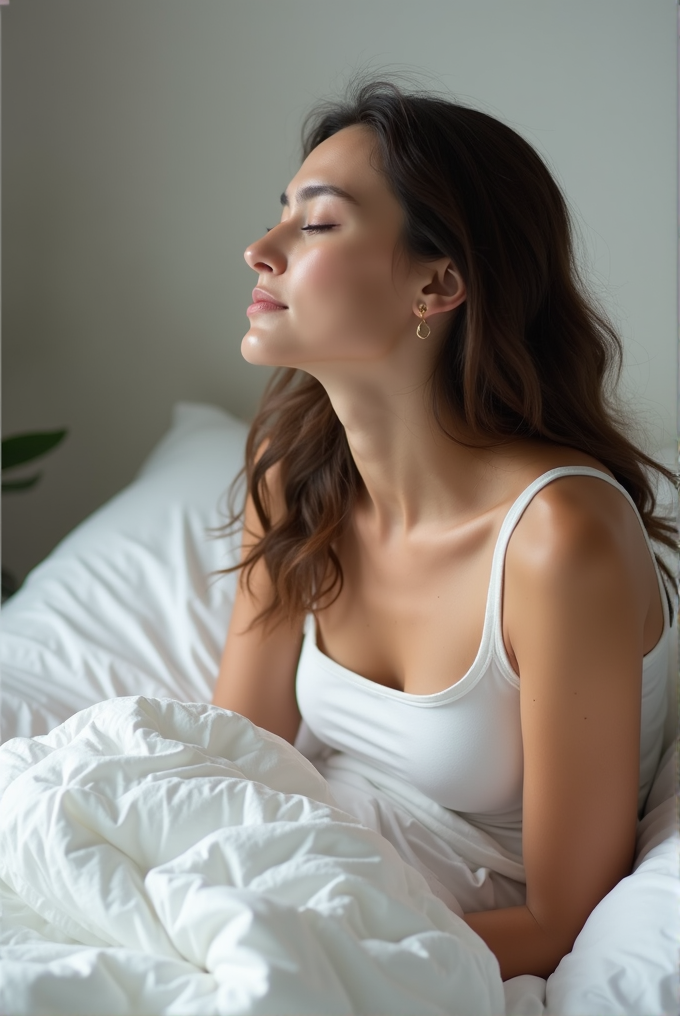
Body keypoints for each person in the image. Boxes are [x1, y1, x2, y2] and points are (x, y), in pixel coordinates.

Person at [211, 77, 676, 981]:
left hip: (443, 934)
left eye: (318, 224)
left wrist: (329, 960)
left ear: (438, 282)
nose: (260, 250)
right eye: (280, 217)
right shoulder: (294, 478)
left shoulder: (558, 540)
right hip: (298, 870)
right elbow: (235, 759)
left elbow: (560, 917)